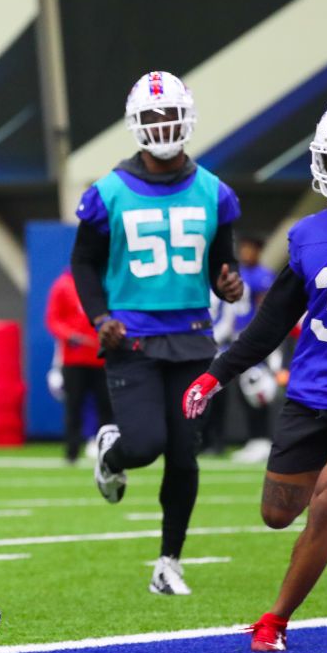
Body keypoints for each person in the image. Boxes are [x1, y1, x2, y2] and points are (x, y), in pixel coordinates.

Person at [183, 94, 327, 652]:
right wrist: (214, 376)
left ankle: (276, 618)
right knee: (276, 514)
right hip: (311, 394)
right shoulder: (311, 233)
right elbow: (271, 322)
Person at [70, 70, 244, 596]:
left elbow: (222, 261)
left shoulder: (215, 192)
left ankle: (169, 561)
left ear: (186, 119)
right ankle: (113, 451)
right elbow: (83, 265)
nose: (164, 125)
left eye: (171, 115)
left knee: (184, 453)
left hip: (192, 336)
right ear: (136, 124)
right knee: (145, 445)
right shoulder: (108, 193)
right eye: (154, 116)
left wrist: (228, 282)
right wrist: (102, 319)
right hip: (135, 339)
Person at [207, 235, 279, 461]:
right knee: (241, 391)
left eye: (250, 248)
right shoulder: (238, 274)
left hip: (256, 340)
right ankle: (254, 439)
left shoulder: (263, 275)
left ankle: (262, 439)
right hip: (236, 339)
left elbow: (267, 306)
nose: (246, 253)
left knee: (257, 389)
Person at [45, 269, 113, 464]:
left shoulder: (105, 282)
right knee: (74, 406)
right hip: (74, 359)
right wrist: (70, 335)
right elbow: (53, 319)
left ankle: (106, 450)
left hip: (102, 357)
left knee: (106, 406)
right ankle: (72, 452)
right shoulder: (63, 285)